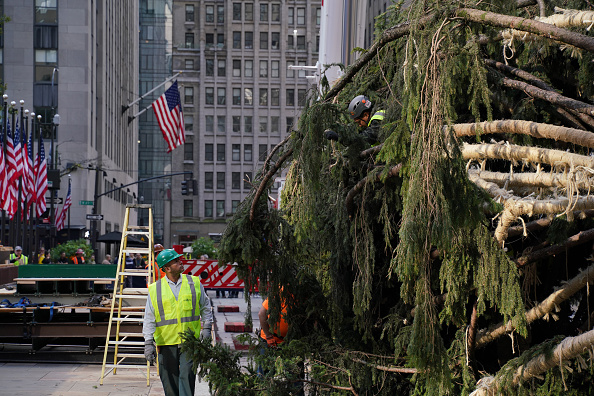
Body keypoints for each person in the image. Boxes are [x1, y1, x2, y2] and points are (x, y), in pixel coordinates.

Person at [143, 249, 213, 396]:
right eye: (176, 261)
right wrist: (148, 342)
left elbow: (205, 306)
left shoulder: (193, 282)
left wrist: (206, 328)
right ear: (167, 268)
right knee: (169, 383)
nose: (180, 262)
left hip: (189, 341)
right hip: (166, 343)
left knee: (187, 376)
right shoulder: (155, 289)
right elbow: (149, 317)